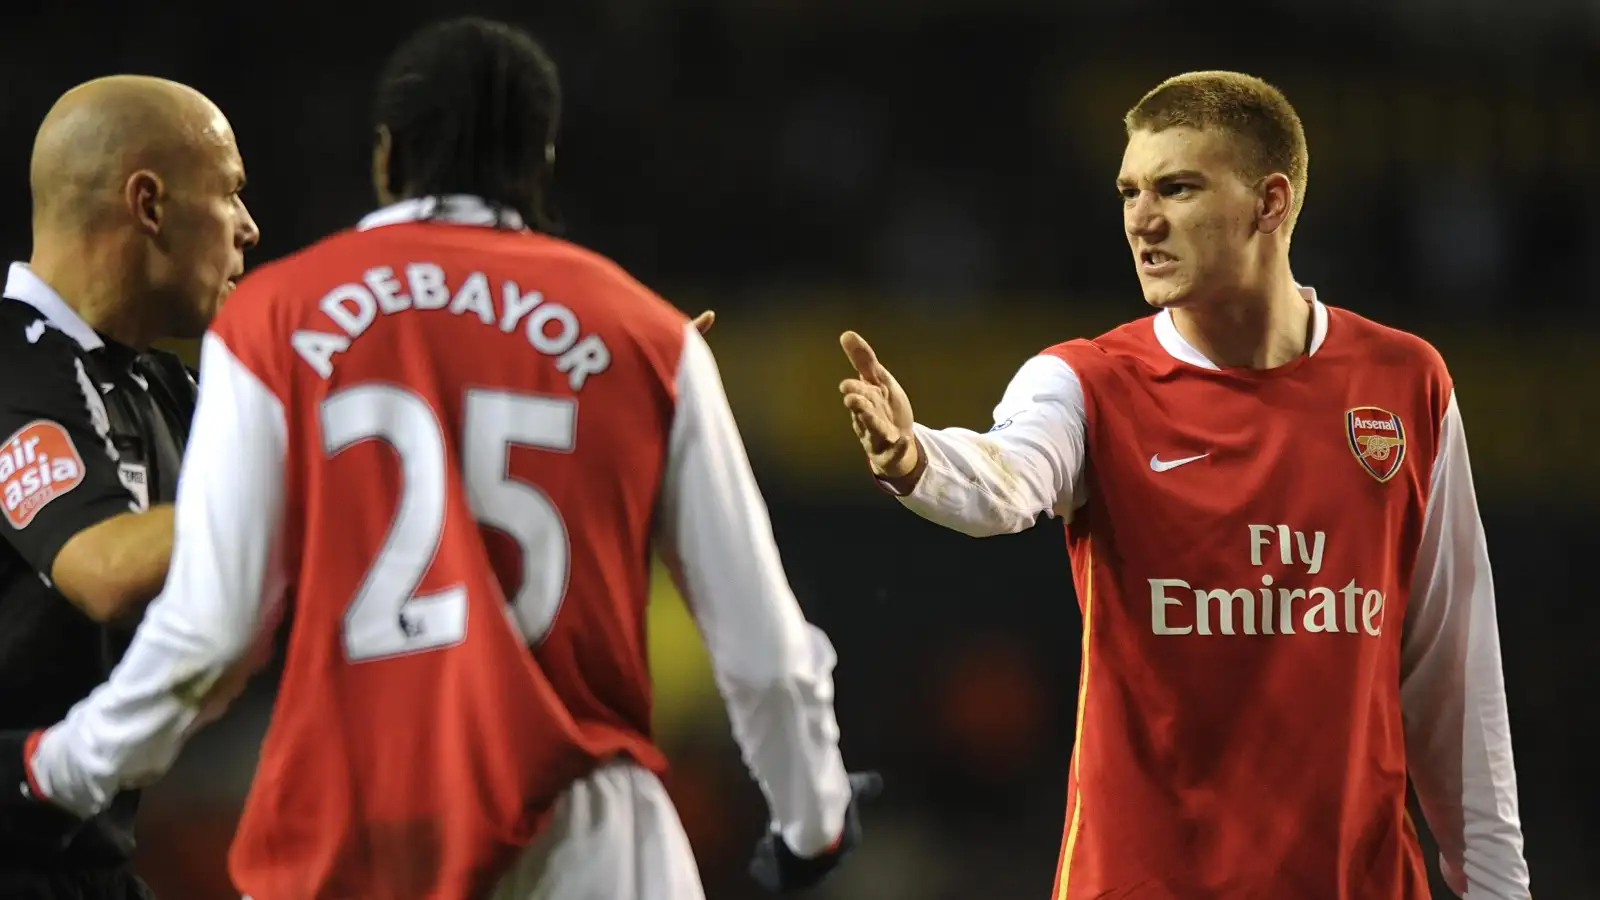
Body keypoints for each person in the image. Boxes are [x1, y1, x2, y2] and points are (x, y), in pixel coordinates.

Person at [2, 17, 872, 900]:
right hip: (593, 848)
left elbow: (214, 629)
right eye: (233, 192)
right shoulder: (642, 335)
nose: (251, 228)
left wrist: (69, 765)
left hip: (347, 831)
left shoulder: (276, 324)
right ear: (543, 157)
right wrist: (814, 821)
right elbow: (765, 651)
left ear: (387, 159)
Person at [839, 71, 1528, 899]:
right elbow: (1008, 477)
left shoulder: (1406, 385)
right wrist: (913, 456)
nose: (1141, 218)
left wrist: (1500, 890)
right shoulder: (1086, 382)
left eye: (1176, 187)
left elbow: (1454, 682)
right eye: (1130, 190)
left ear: (1270, 203)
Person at [0, 75, 257, 899]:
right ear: (149, 203)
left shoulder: (153, 384)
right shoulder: (12, 368)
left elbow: (353, 453)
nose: (249, 226)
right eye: (231, 192)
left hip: (80, 861)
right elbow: (103, 568)